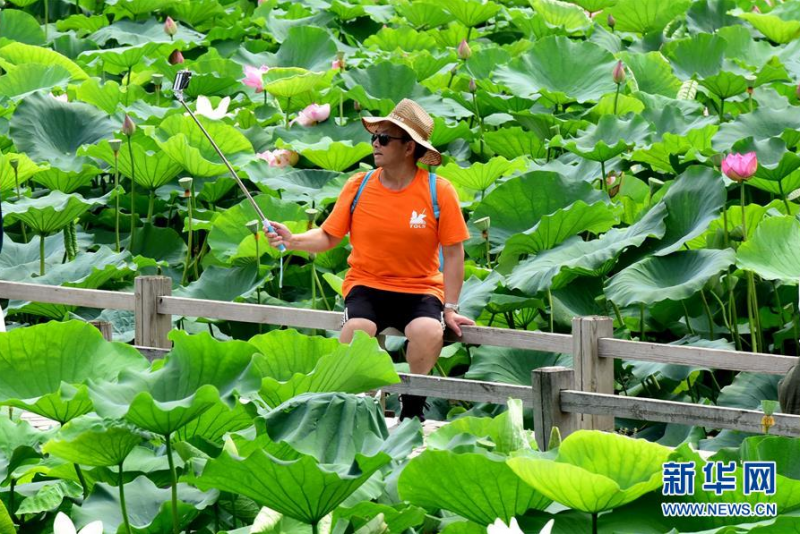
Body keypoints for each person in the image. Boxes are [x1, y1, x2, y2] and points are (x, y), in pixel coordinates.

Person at [266, 99, 475, 421]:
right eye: (375, 137)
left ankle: (413, 404)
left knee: (428, 332)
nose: (375, 144)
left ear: (409, 147)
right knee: (357, 330)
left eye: (384, 139)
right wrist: (292, 240)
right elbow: (329, 236)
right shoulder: (358, 186)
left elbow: (453, 252)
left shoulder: (439, 191)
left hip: (420, 288)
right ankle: (363, 408)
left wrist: (451, 308)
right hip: (366, 284)